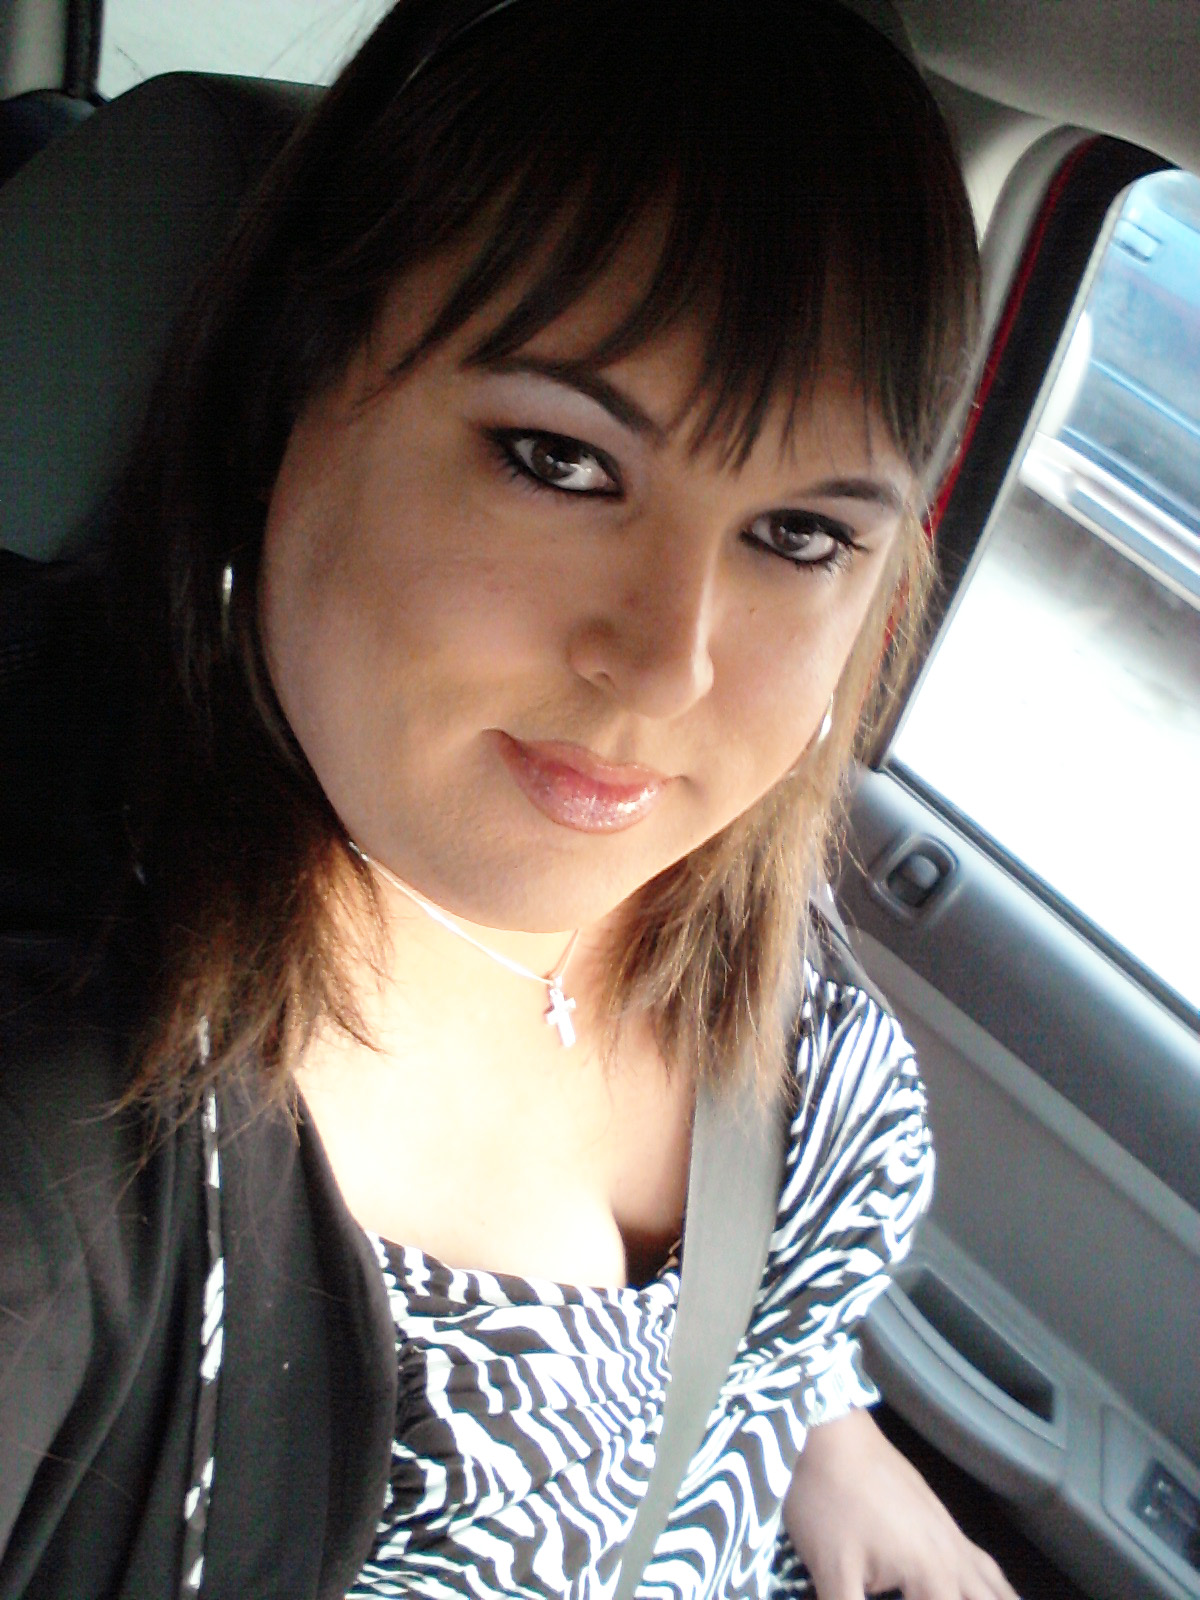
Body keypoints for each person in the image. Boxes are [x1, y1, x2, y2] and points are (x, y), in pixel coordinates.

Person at [0, 1, 1021, 1597]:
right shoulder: (59, 1127)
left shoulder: (690, 859)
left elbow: (739, 1332)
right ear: (282, 401)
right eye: (558, 461)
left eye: (800, 535)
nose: (668, 667)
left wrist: (827, 1437)